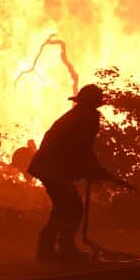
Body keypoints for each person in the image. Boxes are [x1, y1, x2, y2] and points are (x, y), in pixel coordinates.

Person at [26, 84, 109, 263]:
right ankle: (56, 250)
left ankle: (59, 249)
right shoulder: (84, 118)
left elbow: (81, 150)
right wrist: (93, 168)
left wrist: (93, 168)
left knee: (66, 207)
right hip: (50, 168)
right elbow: (81, 149)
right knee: (69, 207)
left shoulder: (80, 116)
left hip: (52, 167)